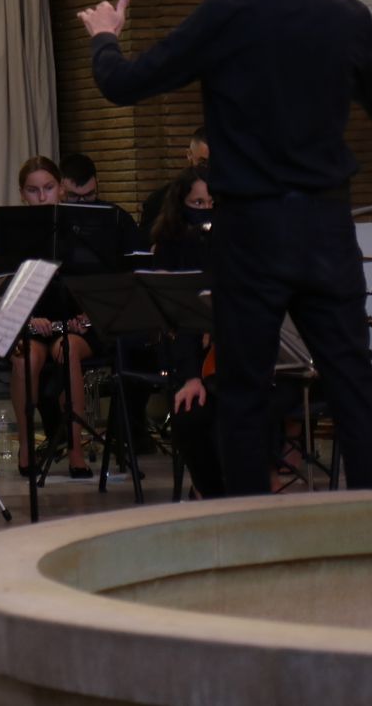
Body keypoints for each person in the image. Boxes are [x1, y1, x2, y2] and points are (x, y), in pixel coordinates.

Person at [79, 0, 372, 495]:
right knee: (352, 384)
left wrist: (104, 39)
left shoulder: (228, 13)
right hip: (326, 225)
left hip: (252, 228)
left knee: (244, 388)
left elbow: (123, 85)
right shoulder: (347, 14)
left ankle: (248, 535)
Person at [10, 157, 94, 477]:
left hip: (73, 325)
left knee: (67, 350)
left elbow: (98, 281)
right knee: (23, 360)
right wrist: (29, 321)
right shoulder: (14, 234)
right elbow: (7, 292)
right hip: (33, 324)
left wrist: (85, 315)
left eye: (48, 188)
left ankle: (75, 448)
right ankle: (27, 445)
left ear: (60, 188)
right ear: (22, 194)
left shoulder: (80, 229)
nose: (42, 197)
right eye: (33, 190)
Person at [148, 167, 225, 498]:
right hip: (195, 355)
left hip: (244, 363)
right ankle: (209, 492)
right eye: (198, 202)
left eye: (211, 203)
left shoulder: (236, 243)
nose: (205, 210)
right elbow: (181, 321)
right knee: (188, 416)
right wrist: (193, 374)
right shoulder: (173, 246)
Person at [140, 127, 209, 235]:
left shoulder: (232, 199)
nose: (209, 168)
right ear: (189, 155)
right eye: (203, 162)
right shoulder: (159, 201)